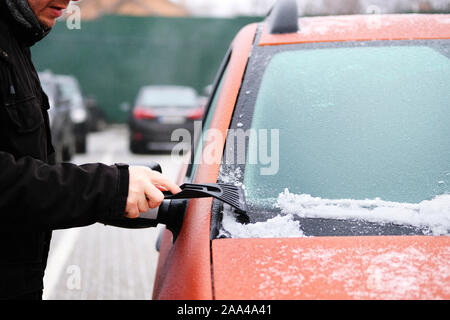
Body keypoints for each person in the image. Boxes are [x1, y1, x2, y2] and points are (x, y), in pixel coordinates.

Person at [0, 0, 181, 300]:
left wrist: (126, 199)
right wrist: (112, 187)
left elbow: (35, 181)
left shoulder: (16, 45)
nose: (67, 1)